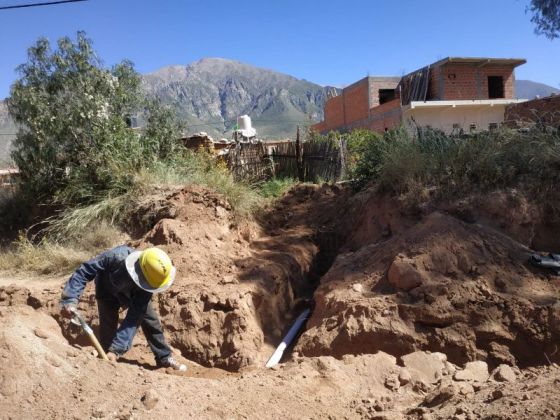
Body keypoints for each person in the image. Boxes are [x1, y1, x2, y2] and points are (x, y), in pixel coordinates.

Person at [60, 245, 186, 371]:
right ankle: (104, 358)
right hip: (106, 289)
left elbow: (133, 319)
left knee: (151, 322)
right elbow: (84, 271)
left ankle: (164, 357)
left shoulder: (148, 285)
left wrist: (117, 350)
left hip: (134, 294)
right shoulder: (116, 257)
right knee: (108, 324)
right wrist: (70, 299)